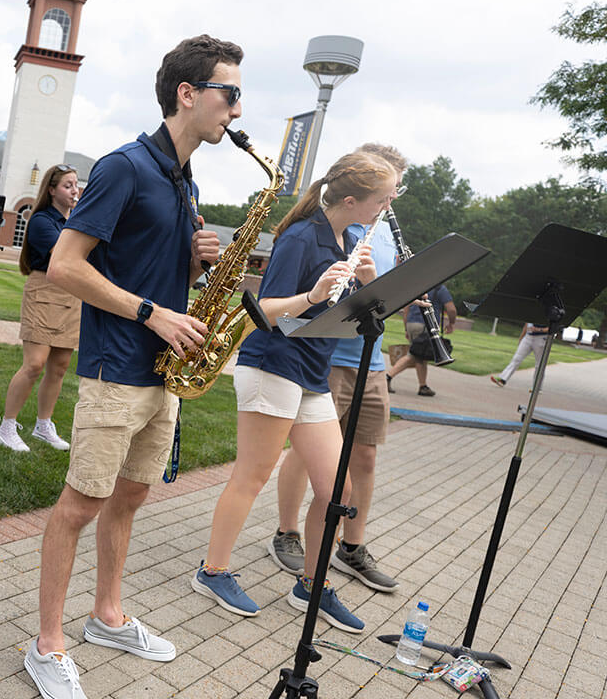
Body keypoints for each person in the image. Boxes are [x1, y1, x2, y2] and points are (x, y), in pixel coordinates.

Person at [23, 35, 228, 699]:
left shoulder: (183, 175)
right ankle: (46, 643)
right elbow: (65, 265)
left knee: (132, 496)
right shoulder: (125, 166)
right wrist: (152, 314)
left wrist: (199, 261)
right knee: (81, 504)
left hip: (163, 372)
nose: (236, 108)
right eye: (229, 92)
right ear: (188, 94)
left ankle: (107, 615)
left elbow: (148, 264)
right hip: (117, 366)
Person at [192, 150, 397, 635]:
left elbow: (349, 314)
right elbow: (263, 309)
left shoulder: (348, 239)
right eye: (383, 201)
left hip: (310, 373)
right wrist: (311, 295)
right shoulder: (302, 237)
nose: (386, 209)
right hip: (273, 365)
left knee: (336, 490)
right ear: (352, 198)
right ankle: (213, 572)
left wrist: (368, 285)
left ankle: (312, 583)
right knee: (253, 473)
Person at [268, 144, 405, 594]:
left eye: (395, 191)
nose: (392, 201)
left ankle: (350, 546)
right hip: (327, 355)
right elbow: (299, 297)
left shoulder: (380, 229)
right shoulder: (339, 228)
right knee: (309, 455)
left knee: (362, 456)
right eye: (387, 191)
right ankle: (287, 532)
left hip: (372, 355)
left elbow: (376, 292)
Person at [0, 164, 81, 453]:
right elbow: (65, 255)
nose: (74, 190)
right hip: (44, 292)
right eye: (67, 185)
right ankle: (6, 427)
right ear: (52, 190)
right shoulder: (43, 220)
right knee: (34, 364)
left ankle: (44, 425)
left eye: (76, 185)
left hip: (72, 296)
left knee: (60, 366)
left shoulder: (75, 219)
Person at [387, 283, 456, 396]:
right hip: (425, 326)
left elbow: (406, 308)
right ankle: (388, 376)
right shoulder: (440, 288)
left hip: (411, 323)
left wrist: (406, 327)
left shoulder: (418, 286)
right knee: (414, 355)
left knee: (420, 357)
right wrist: (452, 323)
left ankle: (423, 386)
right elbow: (451, 309)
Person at [491, 322, 552, 387]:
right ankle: (502, 379)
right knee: (516, 359)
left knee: (539, 364)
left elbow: (552, 328)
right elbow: (526, 324)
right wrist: (521, 338)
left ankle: (537, 387)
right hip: (528, 337)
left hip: (541, 338)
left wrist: (539, 329)